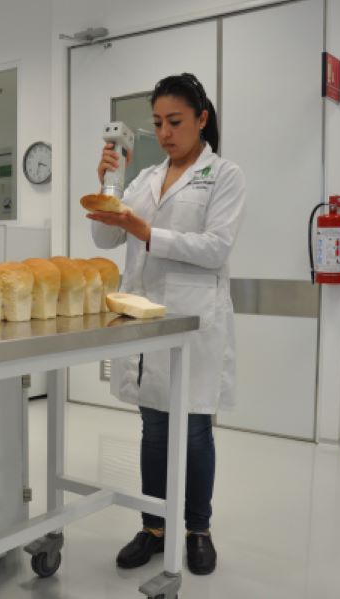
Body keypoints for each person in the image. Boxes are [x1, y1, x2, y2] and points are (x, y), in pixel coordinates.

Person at [88, 73, 246, 575]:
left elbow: (216, 248)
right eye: (157, 123)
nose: (165, 132)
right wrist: (107, 187)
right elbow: (105, 239)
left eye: (175, 121)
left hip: (194, 320)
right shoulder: (146, 178)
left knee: (195, 430)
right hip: (147, 321)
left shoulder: (224, 176)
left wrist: (148, 232)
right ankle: (154, 526)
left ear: (201, 119)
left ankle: (197, 529)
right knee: (153, 429)